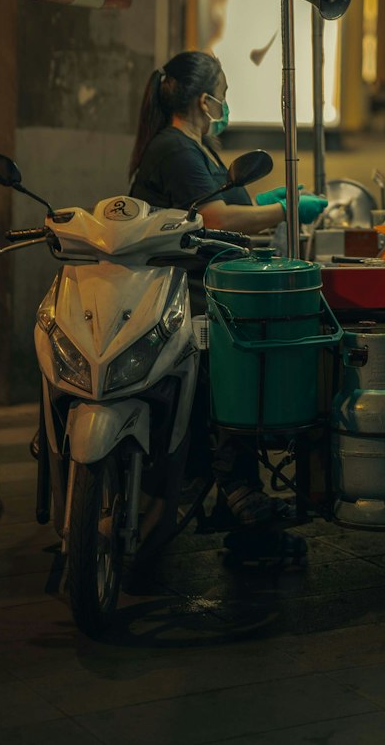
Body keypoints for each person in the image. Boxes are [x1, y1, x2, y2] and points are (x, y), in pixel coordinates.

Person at [129, 50, 327, 525]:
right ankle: (233, 482)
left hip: (210, 288)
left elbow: (222, 203)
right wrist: (286, 211)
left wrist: (266, 202)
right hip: (185, 297)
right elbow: (213, 218)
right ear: (205, 100)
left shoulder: (195, 147)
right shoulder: (174, 148)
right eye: (224, 93)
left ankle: (236, 486)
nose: (226, 103)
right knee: (238, 367)